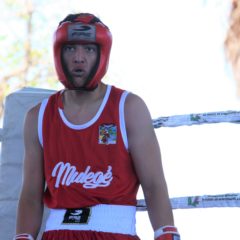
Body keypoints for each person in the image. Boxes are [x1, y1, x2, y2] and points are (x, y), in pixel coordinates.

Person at [14, 13, 181, 240]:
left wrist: (166, 232)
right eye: (71, 48)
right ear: (58, 53)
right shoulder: (38, 117)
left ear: (102, 54)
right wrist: (23, 236)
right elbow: (31, 196)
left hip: (115, 232)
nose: (79, 58)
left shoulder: (128, 108)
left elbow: (153, 185)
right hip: (56, 233)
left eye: (89, 49)